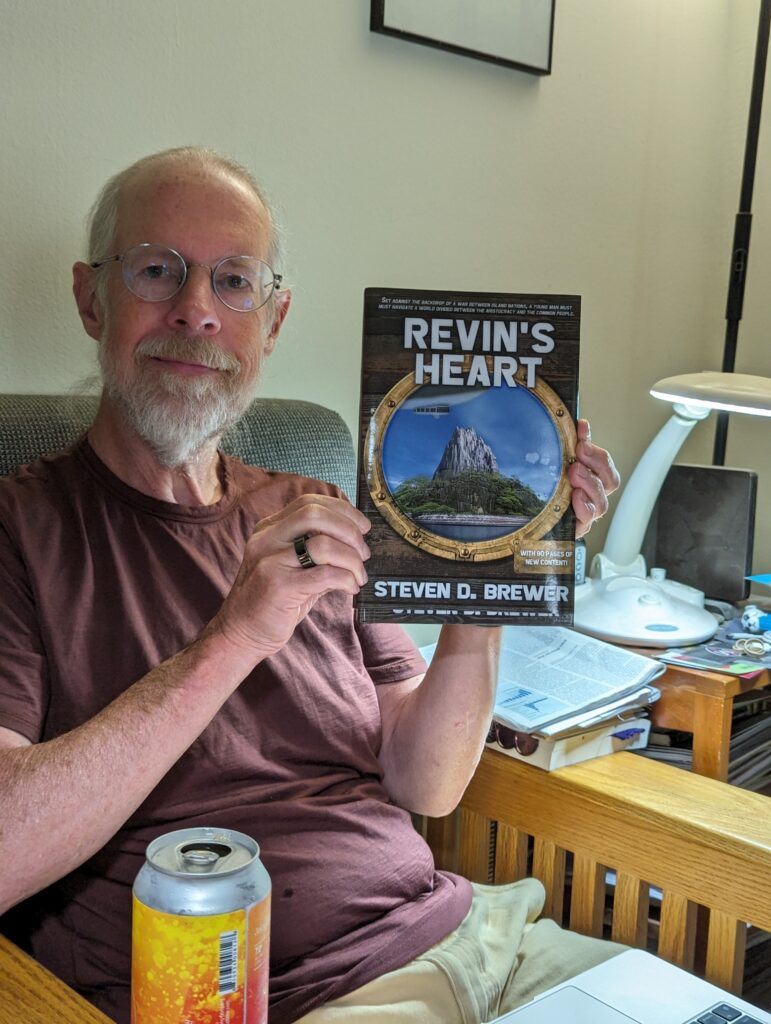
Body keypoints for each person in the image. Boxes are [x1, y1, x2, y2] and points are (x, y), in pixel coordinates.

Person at [0, 147, 621, 1024]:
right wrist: (235, 637)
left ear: (275, 317)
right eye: (155, 271)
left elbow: (426, 783)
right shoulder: (18, 530)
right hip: (268, 992)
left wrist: (496, 569)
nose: (195, 311)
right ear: (89, 297)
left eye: (234, 282)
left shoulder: (314, 508)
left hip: (481, 936)